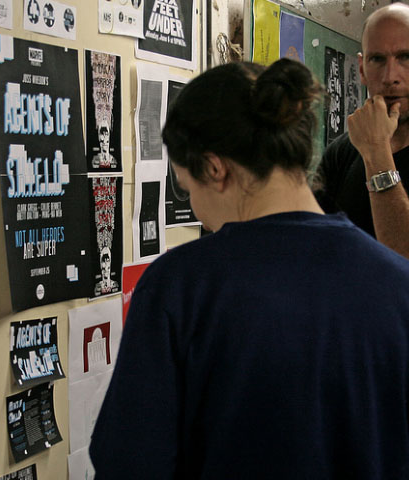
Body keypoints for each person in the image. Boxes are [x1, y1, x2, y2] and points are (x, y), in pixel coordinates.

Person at [89, 58, 409, 479]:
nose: (198, 212)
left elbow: (131, 465)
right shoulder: (398, 284)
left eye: (188, 188)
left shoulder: (180, 287)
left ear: (214, 168)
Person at [317, 3, 409, 257]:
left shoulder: (365, 149)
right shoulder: (342, 152)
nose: (390, 76)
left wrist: (377, 153)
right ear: (361, 69)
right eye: (377, 59)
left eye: (406, 57)